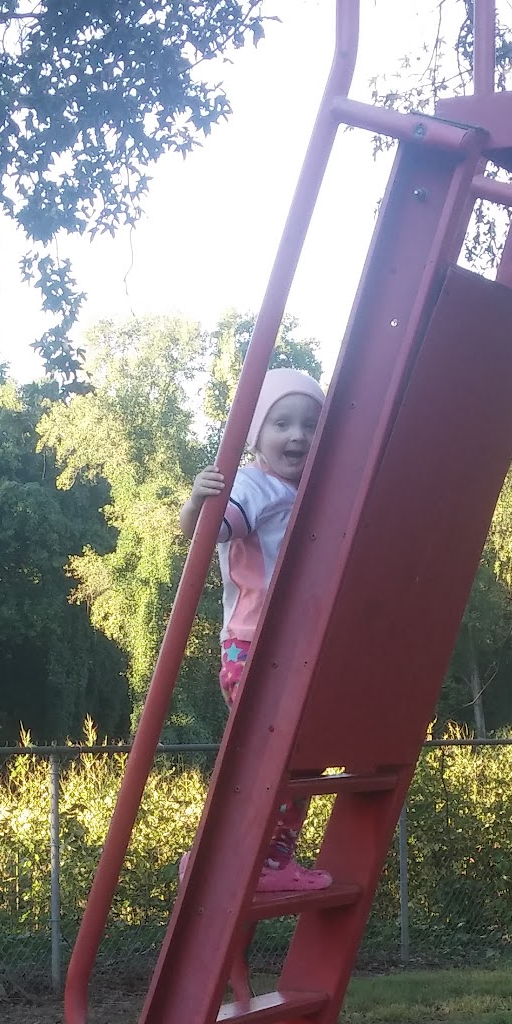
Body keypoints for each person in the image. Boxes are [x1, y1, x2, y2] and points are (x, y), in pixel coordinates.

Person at [178, 366, 331, 892]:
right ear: (257, 435)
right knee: (271, 752)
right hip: (253, 645)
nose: (297, 436)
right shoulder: (254, 484)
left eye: (310, 424)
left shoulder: (316, 493)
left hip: (297, 646)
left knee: (302, 757)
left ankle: (271, 858)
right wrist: (196, 503)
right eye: (281, 423)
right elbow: (211, 532)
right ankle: (225, 855)